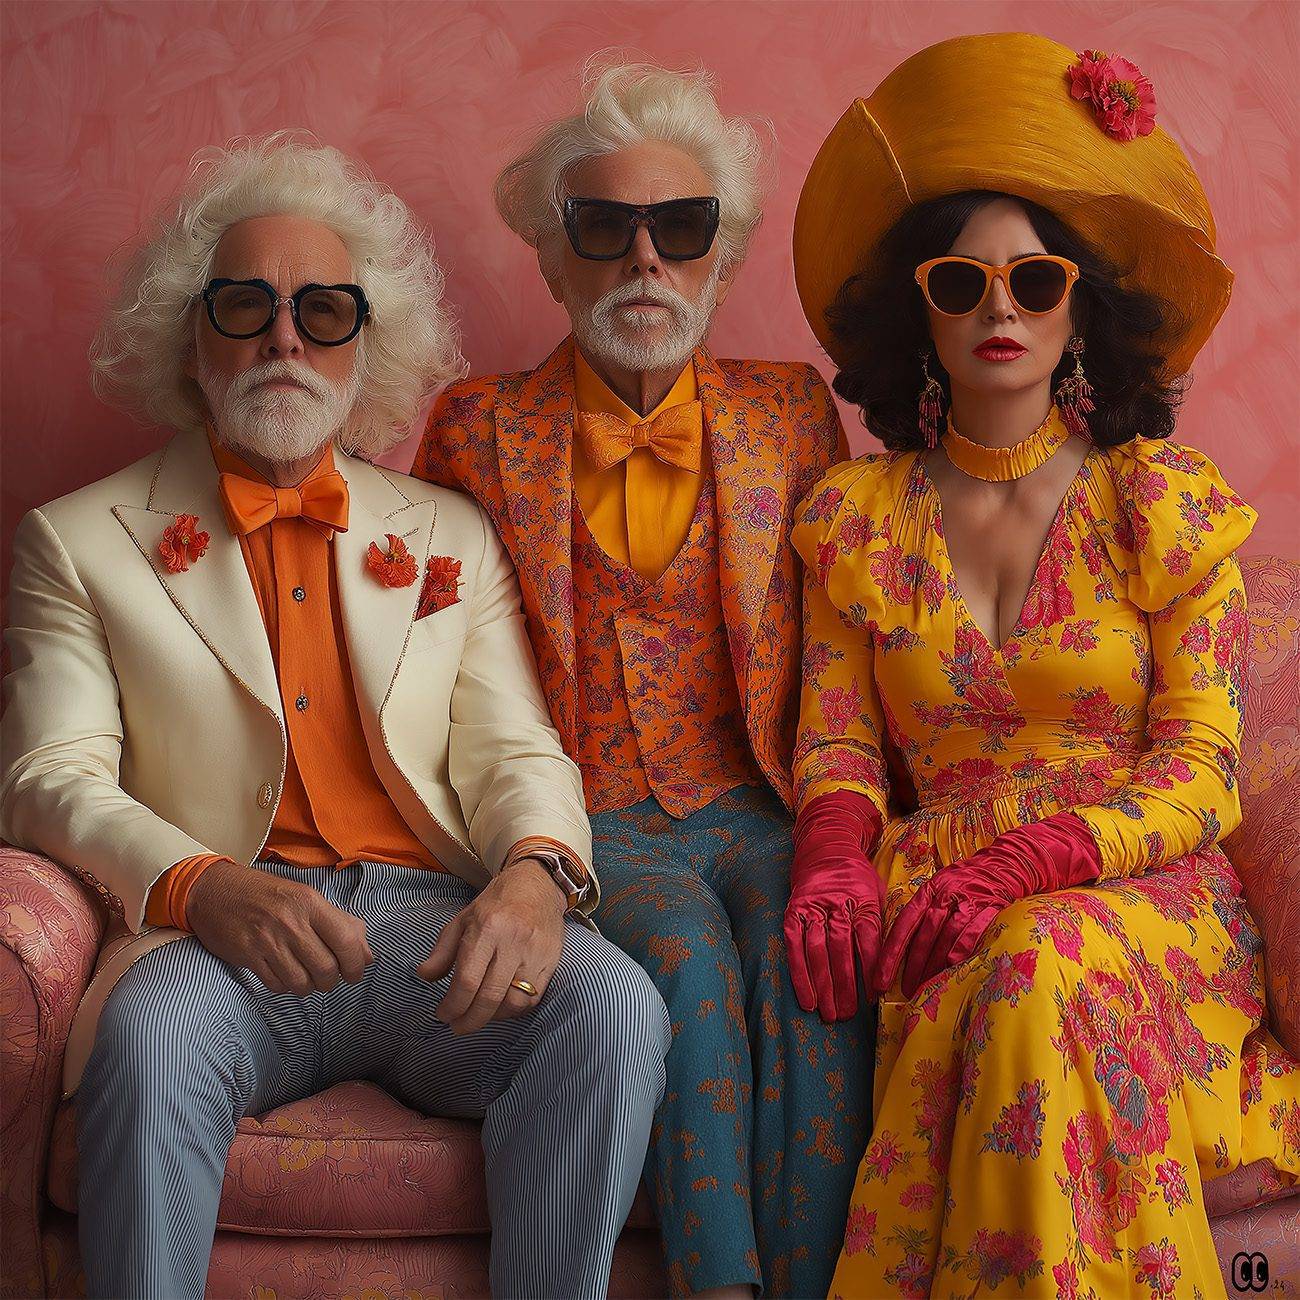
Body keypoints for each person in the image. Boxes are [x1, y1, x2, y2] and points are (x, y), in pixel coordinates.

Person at [0, 134, 671, 1300]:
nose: (283, 337)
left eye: (323, 310)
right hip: (218, 933)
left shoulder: (447, 531)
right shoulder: (74, 539)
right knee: (148, 1040)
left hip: (431, 927)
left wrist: (533, 876)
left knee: (613, 1003)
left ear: (368, 342)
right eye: (246, 305)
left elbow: (515, 747)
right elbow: (47, 775)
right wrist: (202, 882)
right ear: (190, 334)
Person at [787, 33, 1300, 1298]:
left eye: (1033, 278)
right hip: (944, 884)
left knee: (1034, 962)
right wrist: (834, 856)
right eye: (961, 284)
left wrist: (1044, 860)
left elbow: (1203, 770)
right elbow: (842, 741)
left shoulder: (1157, 501)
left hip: (1139, 893)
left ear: (1080, 303)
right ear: (920, 310)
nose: (999, 309)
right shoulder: (853, 516)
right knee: (1006, 966)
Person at [414, 60, 872, 1300]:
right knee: (681, 959)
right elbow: (441, 669)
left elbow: (837, 647)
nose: (643, 263)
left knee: (808, 951)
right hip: (592, 813)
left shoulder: (790, 413)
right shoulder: (473, 425)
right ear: (554, 259)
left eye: (679, 229)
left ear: (717, 258)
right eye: (603, 230)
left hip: (759, 798)